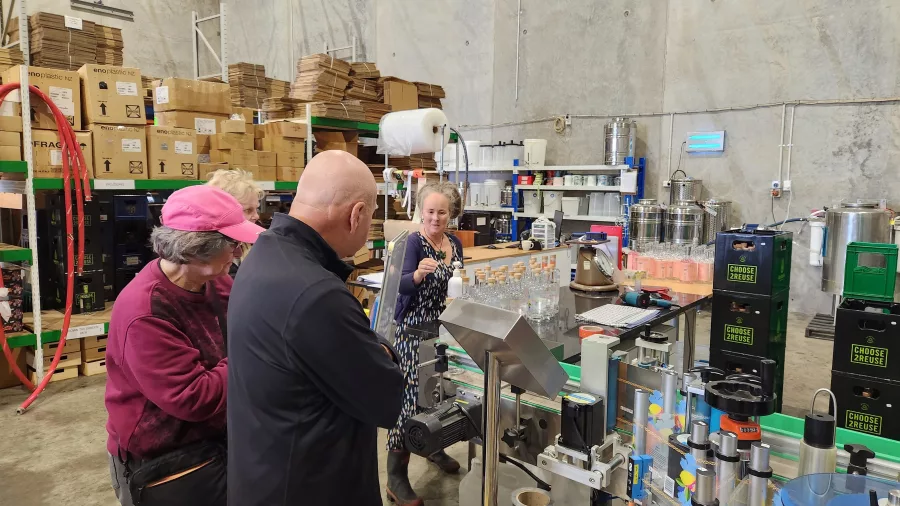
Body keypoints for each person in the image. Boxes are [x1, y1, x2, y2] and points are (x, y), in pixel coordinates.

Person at [227, 150, 404, 506]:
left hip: (265, 472)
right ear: (356, 215)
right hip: (312, 485)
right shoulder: (318, 295)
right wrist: (382, 350)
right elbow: (386, 398)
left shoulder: (263, 256)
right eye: (370, 216)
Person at [105, 185, 264, 506]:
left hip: (212, 443)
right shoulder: (146, 311)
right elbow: (192, 397)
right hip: (163, 461)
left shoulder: (215, 280)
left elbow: (247, 325)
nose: (238, 253)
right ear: (196, 250)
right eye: (232, 244)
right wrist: (256, 355)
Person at [387, 181, 464, 505]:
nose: (435, 218)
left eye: (442, 212)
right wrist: (417, 275)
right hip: (411, 330)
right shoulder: (413, 243)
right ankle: (395, 476)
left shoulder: (455, 243)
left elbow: (458, 278)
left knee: (437, 394)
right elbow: (397, 285)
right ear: (422, 211)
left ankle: (433, 447)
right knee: (408, 401)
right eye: (430, 211)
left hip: (441, 328)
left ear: (452, 214)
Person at [205, 168, 264, 277]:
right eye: (248, 210)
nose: (256, 216)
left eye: (257, 209)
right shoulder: (205, 256)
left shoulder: (249, 244)